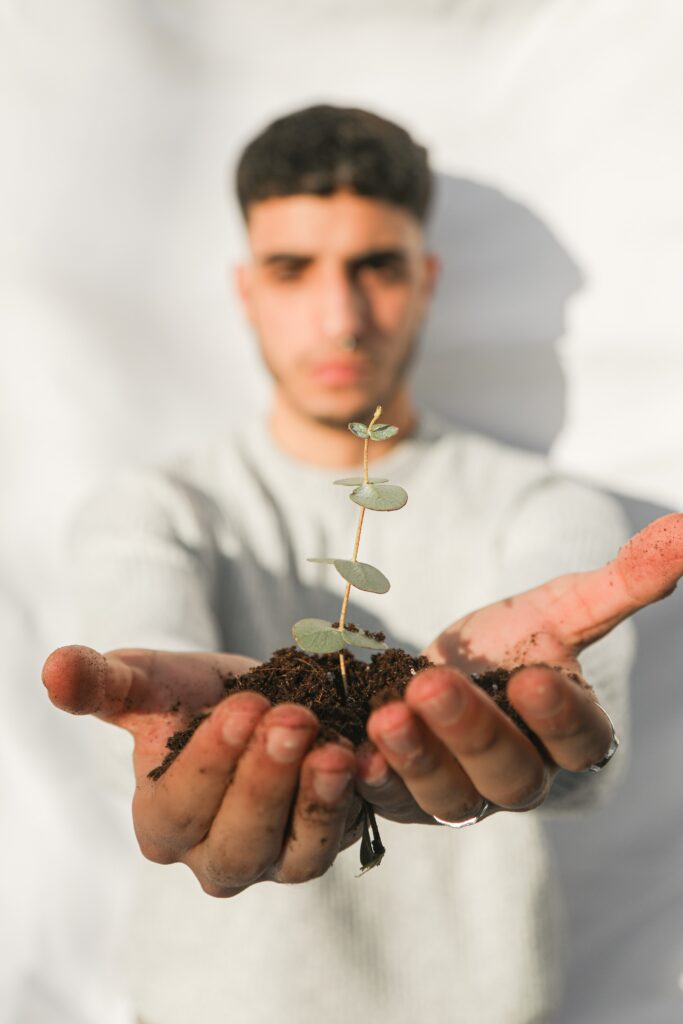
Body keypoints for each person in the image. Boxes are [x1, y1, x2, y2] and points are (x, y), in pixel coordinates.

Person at [43, 105, 683, 1024]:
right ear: (245, 290)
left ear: (425, 281)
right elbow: (142, 733)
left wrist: (555, 732)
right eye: (292, 269)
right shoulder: (152, 511)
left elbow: (586, 744)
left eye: (375, 268)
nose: (339, 318)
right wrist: (171, 735)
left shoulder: (542, 507)